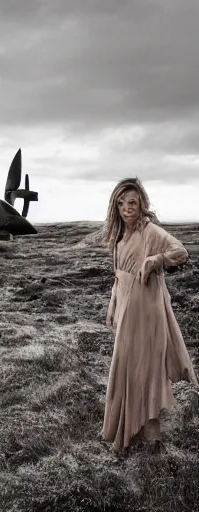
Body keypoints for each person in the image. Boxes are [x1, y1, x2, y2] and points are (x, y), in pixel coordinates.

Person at [100, 177, 199, 455]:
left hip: (146, 309)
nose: (127, 208)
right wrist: (112, 305)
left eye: (132, 202)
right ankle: (129, 429)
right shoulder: (120, 237)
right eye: (121, 203)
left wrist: (156, 261)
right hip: (126, 307)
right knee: (126, 365)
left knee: (146, 366)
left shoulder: (150, 231)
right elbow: (118, 278)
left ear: (142, 203)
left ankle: (150, 435)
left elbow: (180, 252)